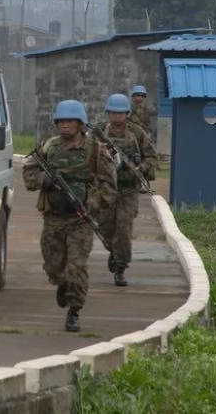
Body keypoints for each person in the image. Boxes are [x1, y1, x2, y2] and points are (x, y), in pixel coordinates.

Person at [22, 100, 116, 332]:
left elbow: (109, 187)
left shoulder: (95, 150)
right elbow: (29, 171)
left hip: (80, 220)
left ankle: (74, 311)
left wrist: (91, 204)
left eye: (69, 121)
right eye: (61, 121)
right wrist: (45, 180)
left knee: (77, 267)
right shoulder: (48, 148)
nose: (64, 125)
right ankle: (62, 283)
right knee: (54, 267)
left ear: (80, 124)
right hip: (53, 218)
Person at [95, 93, 158, 287]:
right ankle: (115, 252)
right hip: (105, 189)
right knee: (105, 228)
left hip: (128, 190)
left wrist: (141, 168)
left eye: (121, 113)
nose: (117, 116)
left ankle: (120, 268)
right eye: (114, 112)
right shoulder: (99, 132)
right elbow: (85, 154)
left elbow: (152, 157)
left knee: (123, 228)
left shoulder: (137, 133)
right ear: (108, 113)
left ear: (127, 113)